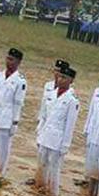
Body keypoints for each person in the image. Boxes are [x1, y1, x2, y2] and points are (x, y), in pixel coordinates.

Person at [0, 48, 27, 187]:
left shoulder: (20, 81)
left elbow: (18, 104)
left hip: (7, 120)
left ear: (18, 62)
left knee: (4, 151)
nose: (8, 62)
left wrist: (14, 123)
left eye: (12, 59)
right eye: (7, 58)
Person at [35, 66, 79, 196]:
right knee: (42, 166)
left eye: (64, 78)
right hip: (45, 136)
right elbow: (44, 116)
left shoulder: (72, 100)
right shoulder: (51, 94)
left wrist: (65, 145)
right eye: (59, 76)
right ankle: (41, 193)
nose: (60, 79)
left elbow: (69, 126)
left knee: (54, 169)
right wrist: (39, 133)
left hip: (57, 140)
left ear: (71, 80)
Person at [28, 59, 69, 188]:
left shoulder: (69, 95)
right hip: (45, 125)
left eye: (60, 72)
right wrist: (40, 123)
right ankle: (39, 179)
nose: (56, 74)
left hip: (56, 132)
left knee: (52, 161)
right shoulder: (48, 86)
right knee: (41, 155)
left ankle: (49, 185)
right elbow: (43, 106)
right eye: (55, 70)